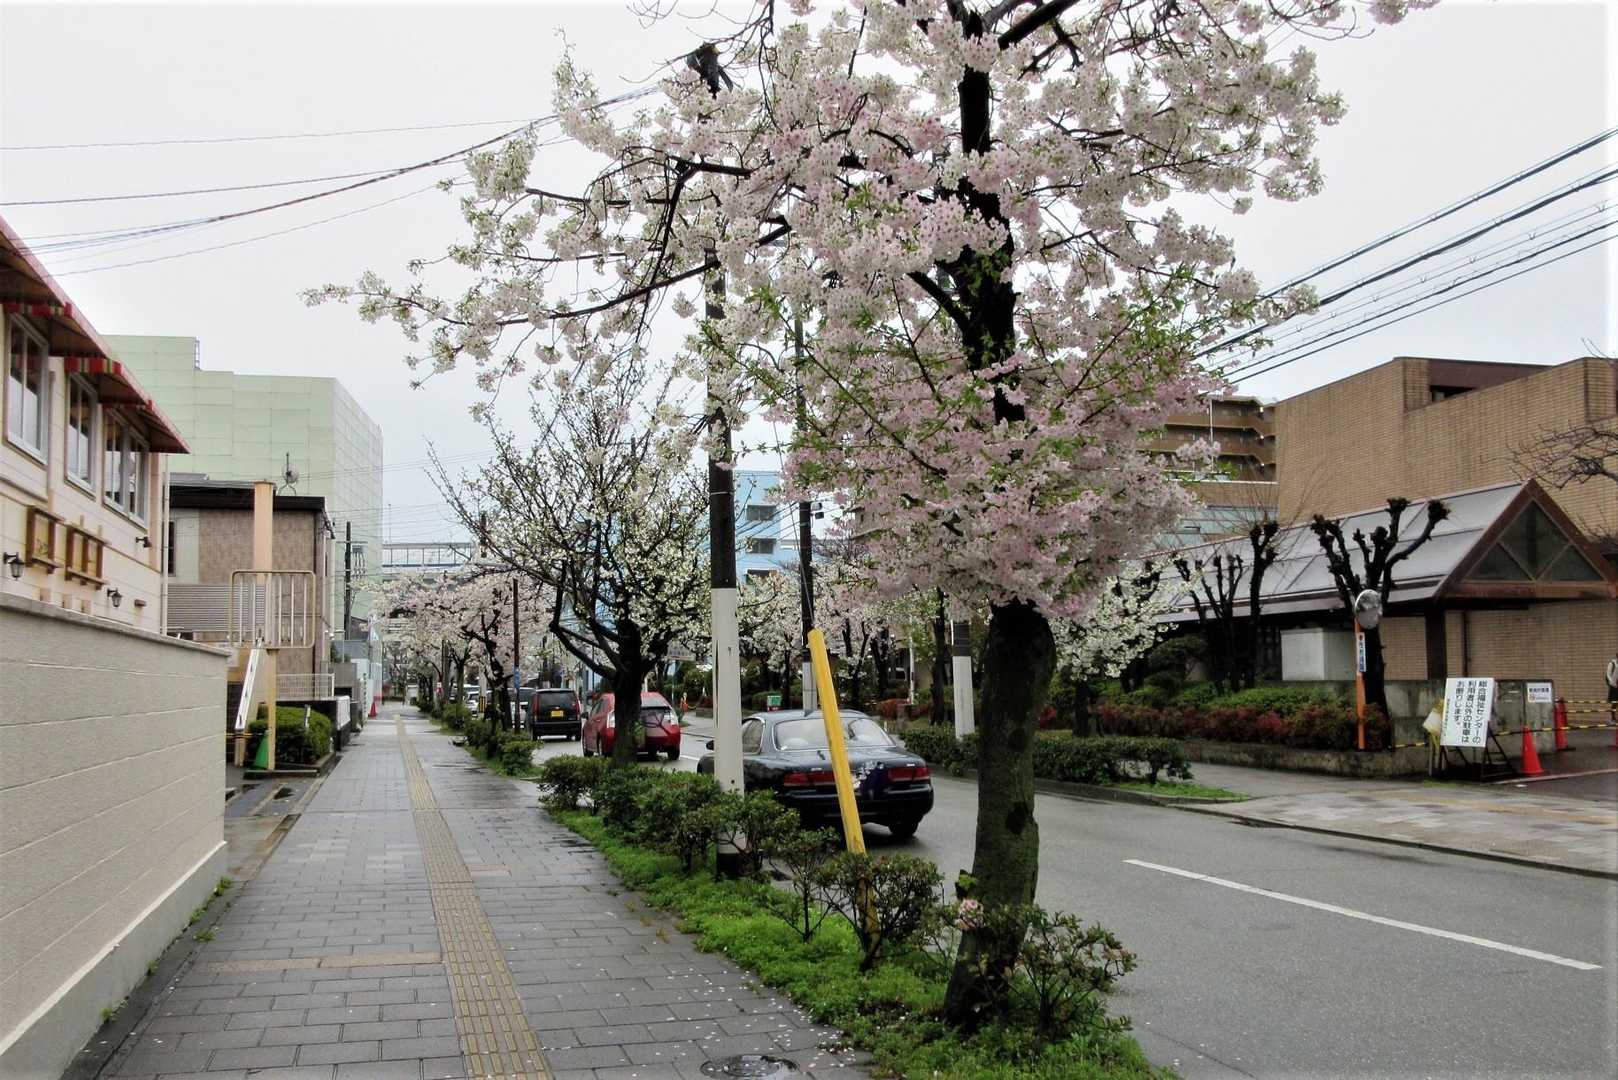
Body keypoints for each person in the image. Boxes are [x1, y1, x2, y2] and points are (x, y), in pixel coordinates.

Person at [1607, 650, 1618, 723]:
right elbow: (1608, 675)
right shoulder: (1612, 663)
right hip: (1614, 686)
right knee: (1615, 702)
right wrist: (1613, 683)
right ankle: (1612, 718)